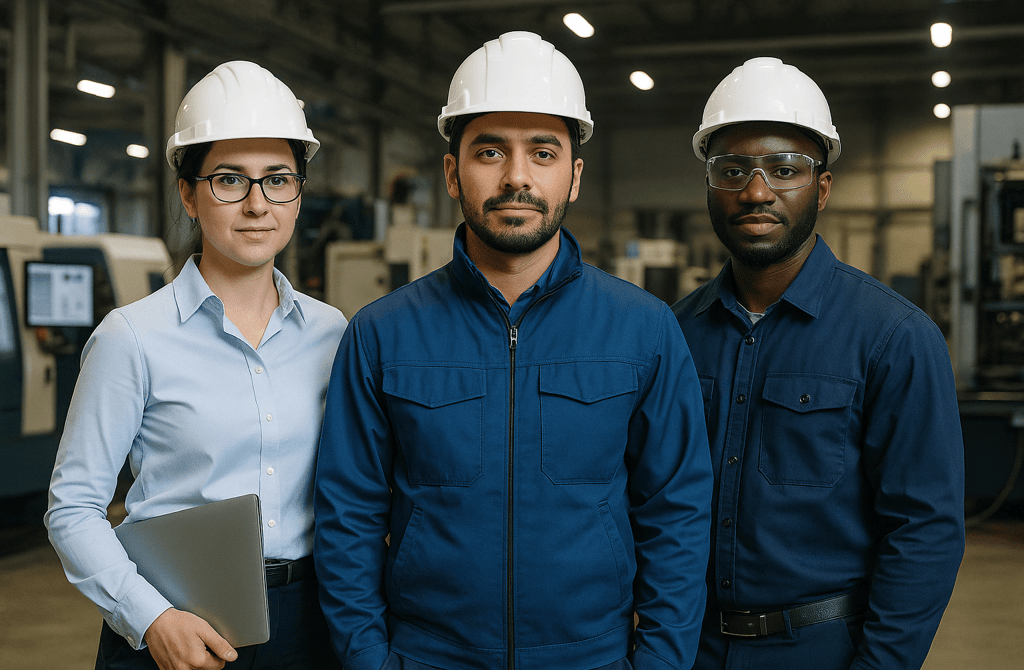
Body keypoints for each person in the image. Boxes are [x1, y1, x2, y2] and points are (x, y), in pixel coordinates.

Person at [314, 31, 713, 670]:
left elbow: (678, 513)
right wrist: (370, 660)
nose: (517, 177)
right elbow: (348, 517)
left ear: (575, 176)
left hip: (593, 659)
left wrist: (659, 663)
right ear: (452, 172)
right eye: (490, 151)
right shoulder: (383, 333)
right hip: (429, 657)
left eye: (544, 152)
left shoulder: (643, 330)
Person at [45, 60, 346, 670]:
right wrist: (149, 616)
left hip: (310, 619)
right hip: (177, 620)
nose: (257, 204)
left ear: (298, 192)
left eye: (278, 179)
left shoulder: (332, 333)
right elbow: (73, 507)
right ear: (188, 191)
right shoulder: (132, 338)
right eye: (230, 180)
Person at [671, 57, 965, 670]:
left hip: (822, 651)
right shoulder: (675, 332)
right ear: (710, 187)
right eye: (732, 171)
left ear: (822, 188)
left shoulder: (894, 338)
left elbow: (924, 530)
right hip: (688, 648)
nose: (756, 192)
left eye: (784, 170)